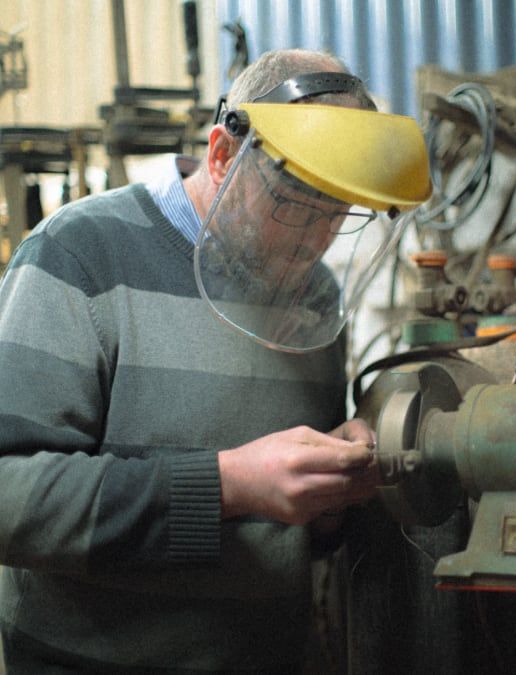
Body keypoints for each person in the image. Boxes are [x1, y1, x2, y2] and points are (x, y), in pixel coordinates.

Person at [0, 49, 431, 672]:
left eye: (337, 212)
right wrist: (228, 485)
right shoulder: (79, 254)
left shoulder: (315, 298)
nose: (313, 240)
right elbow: (9, 498)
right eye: (293, 204)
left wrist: (330, 500)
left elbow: (283, 536)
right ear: (223, 155)